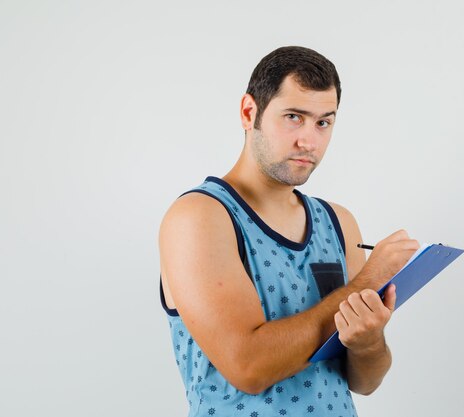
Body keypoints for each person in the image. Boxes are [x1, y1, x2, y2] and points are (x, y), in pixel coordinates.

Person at [159, 46, 419, 417]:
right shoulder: (199, 217)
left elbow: (363, 381)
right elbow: (248, 367)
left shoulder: (338, 222)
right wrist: (369, 279)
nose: (309, 142)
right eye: (294, 117)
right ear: (250, 112)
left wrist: (368, 340)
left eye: (323, 122)